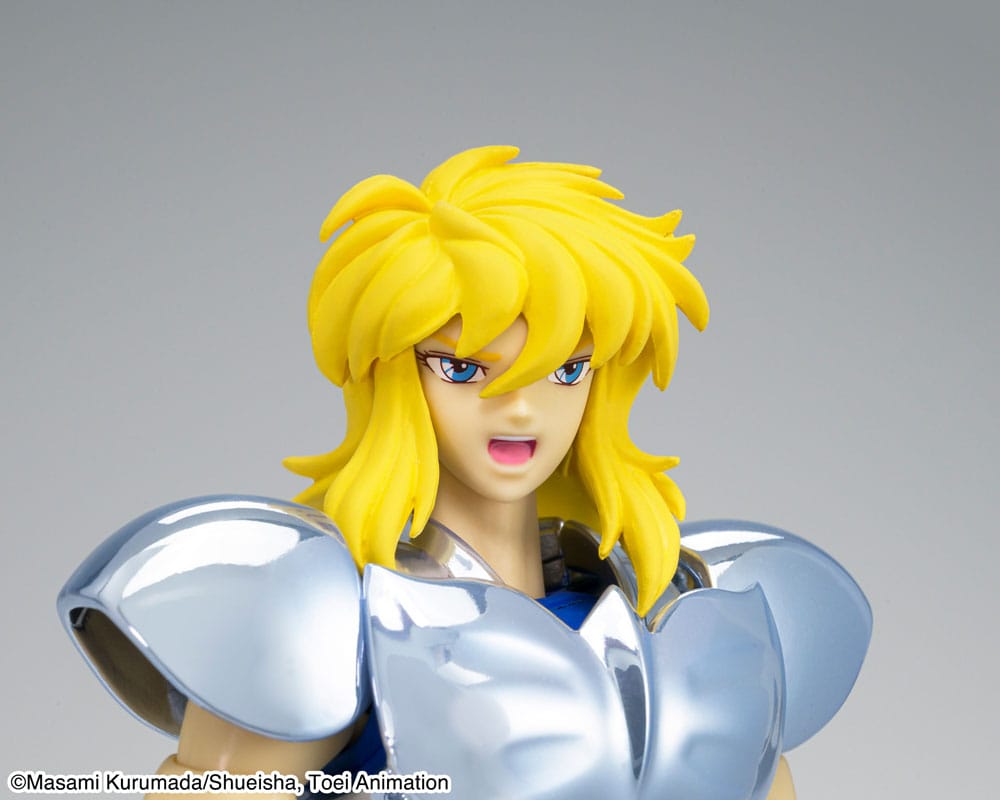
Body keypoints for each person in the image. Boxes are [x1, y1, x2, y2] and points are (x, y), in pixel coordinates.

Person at [60, 146, 869, 799]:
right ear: (390, 376)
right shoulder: (326, 619)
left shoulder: (687, 610)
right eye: (462, 368)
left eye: (565, 370)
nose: (520, 410)